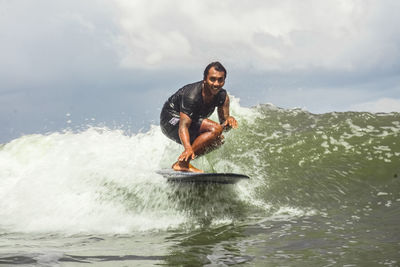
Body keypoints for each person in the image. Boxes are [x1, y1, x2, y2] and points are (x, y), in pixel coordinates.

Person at [160, 62, 238, 173]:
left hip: (189, 123)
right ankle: (183, 163)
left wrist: (229, 121)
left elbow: (223, 126)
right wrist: (187, 147)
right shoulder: (192, 95)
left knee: (218, 140)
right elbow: (183, 126)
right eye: (212, 79)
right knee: (215, 129)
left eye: (220, 80)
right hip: (170, 121)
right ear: (205, 79)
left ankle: (182, 163)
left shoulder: (222, 96)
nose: (216, 84)